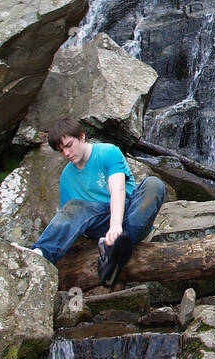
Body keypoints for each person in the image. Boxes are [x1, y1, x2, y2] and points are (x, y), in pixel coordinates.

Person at [31, 116, 166, 287]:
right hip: (99, 225)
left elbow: (117, 189)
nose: (66, 153)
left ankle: (116, 249)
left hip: (130, 217)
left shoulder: (107, 152)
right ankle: (40, 253)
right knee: (74, 207)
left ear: (81, 136)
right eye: (60, 150)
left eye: (68, 145)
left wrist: (115, 227)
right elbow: (69, 218)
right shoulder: (66, 177)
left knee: (154, 184)